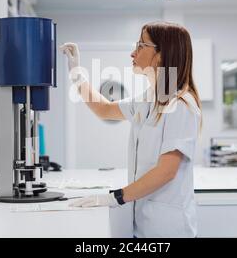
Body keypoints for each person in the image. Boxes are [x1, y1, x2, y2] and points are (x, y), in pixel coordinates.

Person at [60, 21, 201, 238]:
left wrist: (115, 197)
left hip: (169, 231)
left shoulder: (181, 105)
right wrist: (77, 73)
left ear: (161, 55)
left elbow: (167, 171)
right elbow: (104, 109)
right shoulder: (148, 99)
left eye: (141, 45)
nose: (133, 52)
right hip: (143, 226)